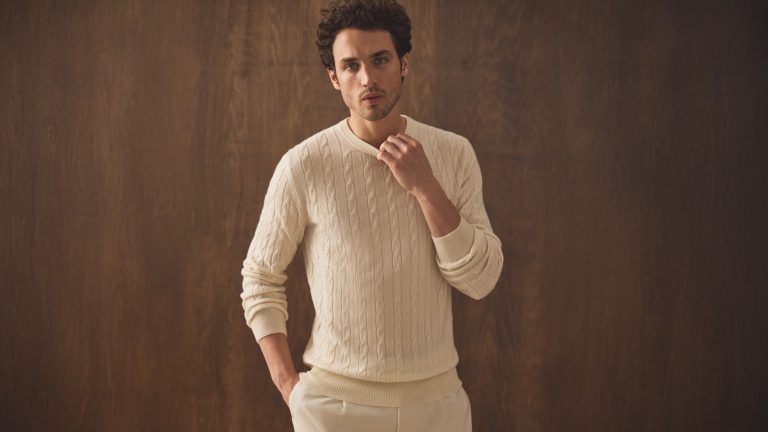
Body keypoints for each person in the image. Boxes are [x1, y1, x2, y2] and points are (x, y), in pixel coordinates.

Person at [240, 0, 503, 430]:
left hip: (437, 404)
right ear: (334, 77)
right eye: (351, 66)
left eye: (380, 60)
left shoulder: (453, 153)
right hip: (333, 408)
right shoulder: (303, 165)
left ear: (404, 64)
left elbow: (481, 280)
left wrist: (425, 185)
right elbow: (260, 278)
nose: (367, 78)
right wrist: (291, 388)